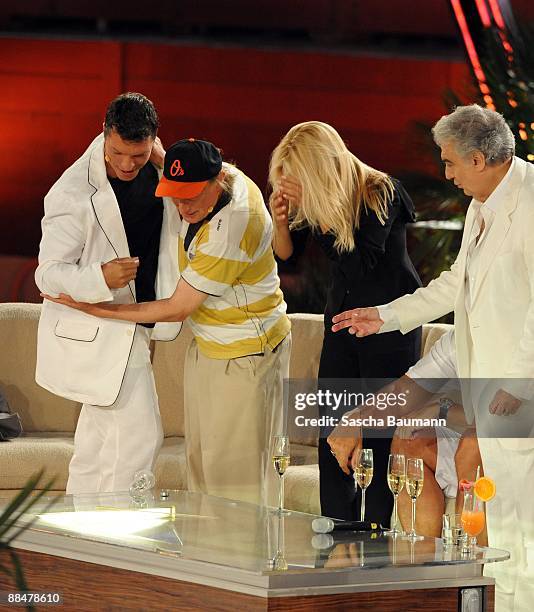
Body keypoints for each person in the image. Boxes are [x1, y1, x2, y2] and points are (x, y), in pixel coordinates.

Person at [330, 104, 534, 612]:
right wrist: (383, 315)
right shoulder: (481, 204)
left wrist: (517, 383)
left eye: (450, 163)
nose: (446, 174)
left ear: (480, 158)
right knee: (501, 516)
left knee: (519, 523)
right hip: (490, 392)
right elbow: (454, 286)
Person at [42, 138, 292, 507]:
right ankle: (204, 561)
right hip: (210, 348)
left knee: (236, 484)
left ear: (218, 180)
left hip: (248, 354)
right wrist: (153, 153)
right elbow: (166, 159)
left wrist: (99, 309)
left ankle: (240, 562)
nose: (182, 205)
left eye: (190, 196)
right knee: (203, 474)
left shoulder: (233, 224)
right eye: (175, 195)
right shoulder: (215, 178)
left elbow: (177, 308)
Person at [268, 121, 422, 524]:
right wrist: (281, 222)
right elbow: (287, 257)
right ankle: (336, 539)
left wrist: (320, 215)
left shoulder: (379, 191)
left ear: (318, 170)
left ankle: (377, 545)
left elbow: (361, 265)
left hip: (389, 330)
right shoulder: (316, 208)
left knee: (378, 439)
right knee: (332, 435)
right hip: (341, 330)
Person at [35, 92, 181, 495]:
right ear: (104, 134)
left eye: (137, 154)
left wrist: (161, 161)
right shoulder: (72, 192)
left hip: (140, 319)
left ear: (152, 140)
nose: (125, 164)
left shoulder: (159, 168)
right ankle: (118, 538)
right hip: (100, 325)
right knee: (140, 435)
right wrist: (100, 277)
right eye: (117, 153)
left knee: (99, 441)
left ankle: (85, 538)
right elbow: (47, 275)